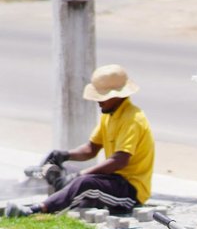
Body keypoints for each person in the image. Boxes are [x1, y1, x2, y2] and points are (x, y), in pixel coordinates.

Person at [5, 64, 155, 218]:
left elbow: (119, 161)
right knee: (69, 171)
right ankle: (59, 196)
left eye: (102, 97)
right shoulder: (109, 115)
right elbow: (91, 148)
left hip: (130, 191)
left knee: (84, 183)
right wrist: (64, 155)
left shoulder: (133, 119)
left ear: (118, 95)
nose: (98, 101)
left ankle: (36, 210)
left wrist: (80, 175)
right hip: (113, 181)